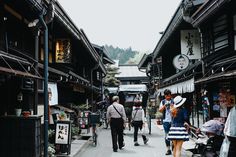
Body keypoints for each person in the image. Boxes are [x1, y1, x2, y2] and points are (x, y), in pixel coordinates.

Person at [159, 89, 174, 155]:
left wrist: (171, 106)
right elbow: (160, 110)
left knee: (174, 135)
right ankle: (168, 149)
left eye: (169, 96)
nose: (168, 97)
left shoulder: (173, 101)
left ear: (171, 95)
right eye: (166, 96)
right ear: (165, 96)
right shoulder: (162, 102)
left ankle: (173, 145)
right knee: (167, 135)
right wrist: (165, 106)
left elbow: (177, 110)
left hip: (173, 120)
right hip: (165, 121)